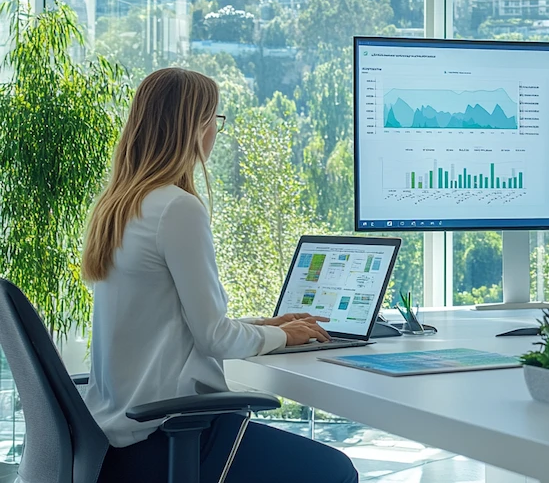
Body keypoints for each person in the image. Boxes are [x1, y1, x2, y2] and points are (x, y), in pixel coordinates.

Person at [81, 68, 358, 483]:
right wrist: (285, 337)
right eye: (214, 119)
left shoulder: (120, 204)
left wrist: (267, 325)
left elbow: (171, 325)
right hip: (170, 436)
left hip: (113, 442)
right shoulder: (177, 208)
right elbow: (214, 339)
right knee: (335, 471)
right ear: (193, 128)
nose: (215, 130)